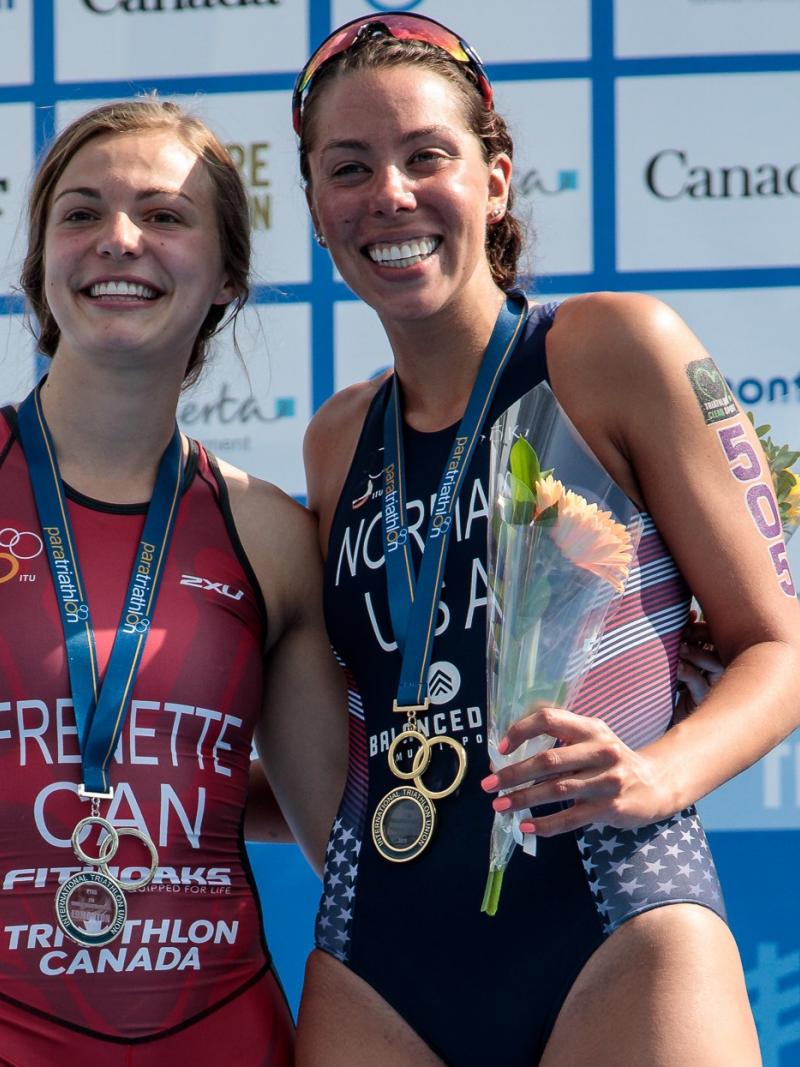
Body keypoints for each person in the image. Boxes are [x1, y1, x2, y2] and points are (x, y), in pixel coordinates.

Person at [292, 13, 800, 1066]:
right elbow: (344, 728)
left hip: (611, 914)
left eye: (424, 155)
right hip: (377, 957)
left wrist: (657, 776)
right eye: (349, 167)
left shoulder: (610, 349)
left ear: (495, 178)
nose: (388, 192)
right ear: (314, 208)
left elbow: (775, 646)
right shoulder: (335, 440)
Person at [0, 98, 346, 1066]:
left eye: (163, 215)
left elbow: (339, 835)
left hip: (218, 1035)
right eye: (80, 213)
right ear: (40, 267)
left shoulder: (273, 537)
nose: (119, 240)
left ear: (227, 272)